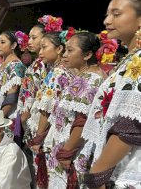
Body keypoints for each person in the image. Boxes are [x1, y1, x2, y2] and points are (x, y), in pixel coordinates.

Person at [81, 0, 141, 188]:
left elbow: (131, 126)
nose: (107, 21)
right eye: (107, 14)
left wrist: (97, 175)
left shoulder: (139, 61)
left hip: (127, 168)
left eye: (116, 14)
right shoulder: (129, 59)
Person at [43, 31, 106, 188]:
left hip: (73, 154)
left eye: (70, 50)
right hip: (66, 150)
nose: (65, 54)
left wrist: (66, 153)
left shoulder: (91, 79)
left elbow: (82, 121)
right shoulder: (84, 76)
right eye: (66, 50)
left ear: (87, 55)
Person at [28, 31, 74, 189]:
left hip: (50, 134)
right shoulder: (64, 70)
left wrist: (38, 138)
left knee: (46, 178)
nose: (40, 52)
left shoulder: (57, 73)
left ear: (59, 49)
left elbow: (46, 109)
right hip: (59, 131)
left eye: (44, 47)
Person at [0, 31, 26, 139]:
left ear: (13, 45)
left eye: (3, 42)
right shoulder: (1, 65)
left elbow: (11, 97)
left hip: (5, 118)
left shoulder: (17, 66)